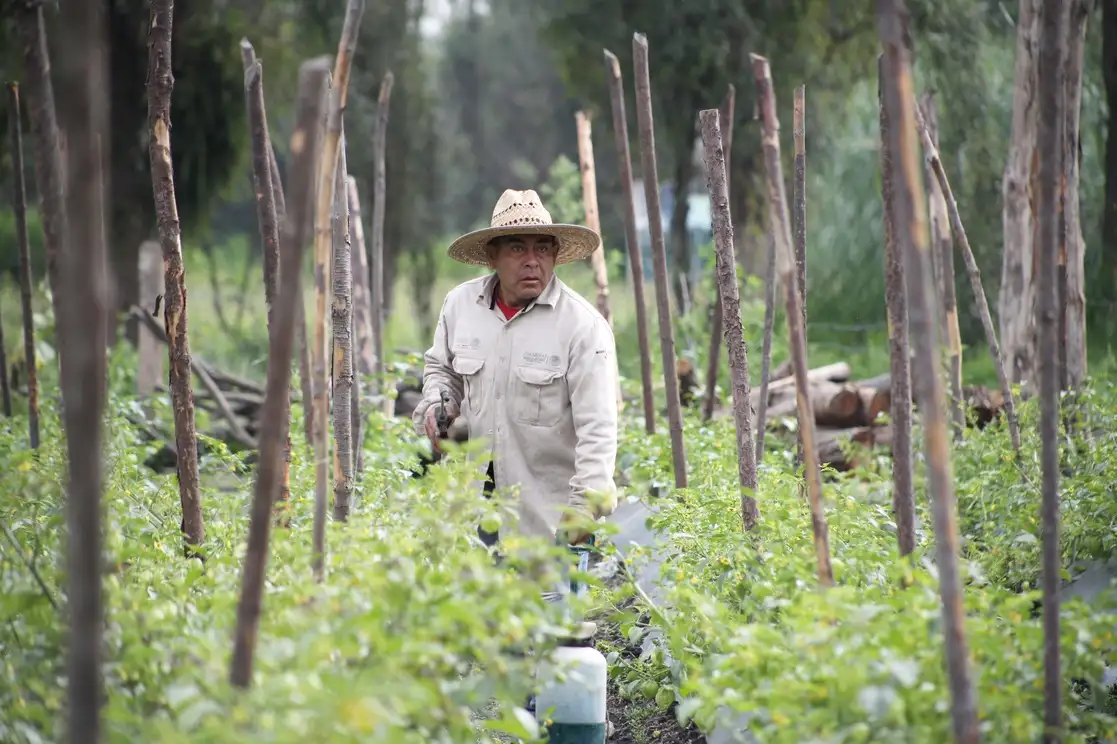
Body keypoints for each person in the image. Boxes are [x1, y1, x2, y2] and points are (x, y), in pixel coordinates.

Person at [412, 188, 619, 549]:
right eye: (517, 248)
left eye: (542, 248)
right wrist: (437, 403)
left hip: (546, 523)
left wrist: (584, 509)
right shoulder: (461, 305)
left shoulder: (582, 327)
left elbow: (598, 428)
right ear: (492, 256)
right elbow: (441, 370)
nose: (532, 260)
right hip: (471, 513)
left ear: (555, 255)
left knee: (547, 604)